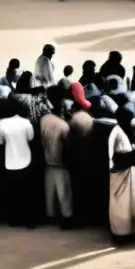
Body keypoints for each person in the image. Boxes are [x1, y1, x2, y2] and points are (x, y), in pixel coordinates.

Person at [0, 100, 37, 227]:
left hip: (10, 161)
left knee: (12, 193)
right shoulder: (26, 123)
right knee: (27, 193)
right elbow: (31, 138)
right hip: (26, 159)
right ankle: (29, 220)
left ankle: (14, 219)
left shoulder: (2, 123)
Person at [107, 106, 135, 239]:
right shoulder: (115, 132)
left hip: (130, 171)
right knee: (121, 203)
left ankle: (133, 229)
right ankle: (121, 232)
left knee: (132, 201)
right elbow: (110, 154)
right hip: (120, 172)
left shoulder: (130, 130)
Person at [41, 87, 74, 227]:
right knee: (64, 193)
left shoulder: (44, 119)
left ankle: (50, 216)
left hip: (47, 161)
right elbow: (67, 147)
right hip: (60, 163)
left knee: (50, 192)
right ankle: (66, 219)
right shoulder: (63, 126)